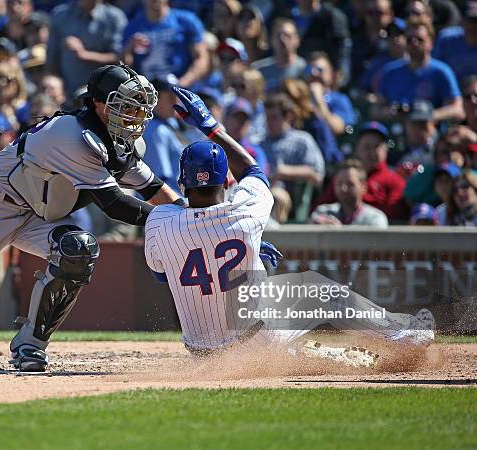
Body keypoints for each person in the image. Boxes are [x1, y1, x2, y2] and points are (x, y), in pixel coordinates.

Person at [0, 64, 180, 372]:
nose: (134, 116)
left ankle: (30, 344)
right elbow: (115, 205)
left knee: (78, 249)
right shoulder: (72, 135)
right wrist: (173, 221)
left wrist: (191, 213)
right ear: (100, 104)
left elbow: (154, 188)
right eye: (126, 106)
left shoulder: (118, 143)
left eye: (138, 108)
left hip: (35, 215)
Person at [144, 86, 434, 362]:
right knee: (321, 290)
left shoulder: (159, 220)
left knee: (259, 291)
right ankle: (405, 335)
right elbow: (253, 169)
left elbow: (164, 276)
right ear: (225, 180)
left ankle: (296, 356)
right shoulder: (246, 211)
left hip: (202, 353)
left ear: (182, 183)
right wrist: (211, 128)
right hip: (254, 339)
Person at [373, 17, 464, 123]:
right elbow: (375, 110)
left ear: (431, 42)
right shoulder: (391, 71)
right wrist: (394, 113)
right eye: (410, 40)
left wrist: (427, 115)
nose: (414, 43)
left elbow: (458, 110)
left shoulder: (441, 72)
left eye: (420, 39)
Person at [46, 0, 127, 101]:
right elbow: (52, 58)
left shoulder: (114, 17)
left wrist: (84, 54)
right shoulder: (60, 15)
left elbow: (119, 57)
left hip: (101, 96)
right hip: (66, 96)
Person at [121, 0, 209, 87]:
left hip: (183, 89)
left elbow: (201, 58)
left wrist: (182, 84)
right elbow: (125, 64)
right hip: (147, 90)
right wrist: (129, 49)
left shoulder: (187, 21)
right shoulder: (132, 27)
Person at [310, 159, 388, 227]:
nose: (343, 188)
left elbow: (374, 243)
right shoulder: (323, 212)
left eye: (350, 184)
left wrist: (338, 234)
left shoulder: (375, 218)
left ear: (364, 187)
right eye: (339, 183)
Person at [252, 18, 306, 93]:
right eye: (278, 36)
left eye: (287, 36)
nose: (282, 40)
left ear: (297, 40)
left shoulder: (304, 69)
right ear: (271, 40)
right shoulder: (258, 71)